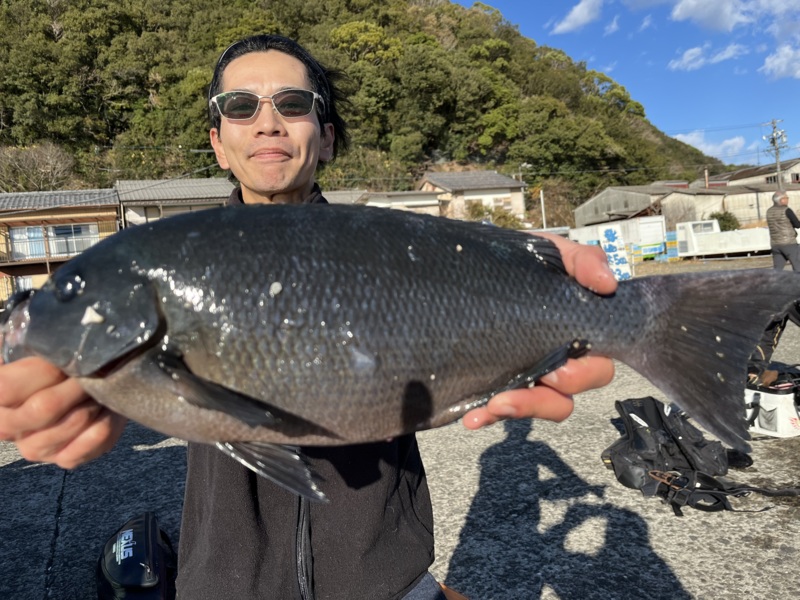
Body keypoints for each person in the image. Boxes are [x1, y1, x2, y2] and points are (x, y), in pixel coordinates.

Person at [0, 35, 617, 599]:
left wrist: (550, 312)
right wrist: (87, 395)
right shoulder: (168, 263)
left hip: (388, 581)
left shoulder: (388, 246)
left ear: (324, 137)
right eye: (239, 106)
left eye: (293, 103)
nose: (266, 121)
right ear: (218, 142)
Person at [766, 190, 800, 271]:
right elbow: (797, 225)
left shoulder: (769, 211)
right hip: (789, 243)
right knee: (797, 266)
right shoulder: (786, 210)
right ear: (781, 200)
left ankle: (774, 283)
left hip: (775, 244)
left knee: (777, 269)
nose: (788, 199)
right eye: (786, 198)